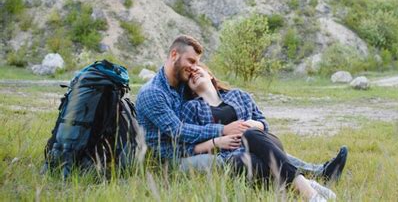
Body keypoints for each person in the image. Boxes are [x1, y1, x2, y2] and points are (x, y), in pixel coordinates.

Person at [136, 35, 347, 180]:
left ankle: (316, 173)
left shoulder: (181, 86)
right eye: (191, 61)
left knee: (253, 146)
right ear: (174, 55)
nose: (194, 68)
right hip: (174, 159)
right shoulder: (153, 93)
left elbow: (259, 120)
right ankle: (310, 179)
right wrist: (222, 133)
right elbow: (178, 131)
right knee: (238, 161)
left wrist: (247, 127)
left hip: (202, 147)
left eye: (197, 63)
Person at [181, 65, 338, 201]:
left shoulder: (239, 95)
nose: (194, 74)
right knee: (243, 163)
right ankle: (306, 183)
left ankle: (311, 196)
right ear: (191, 90)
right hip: (234, 156)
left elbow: (264, 124)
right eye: (189, 77)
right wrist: (217, 142)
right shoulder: (191, 108)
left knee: (251, 134)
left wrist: (254, 124)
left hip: (260, 141)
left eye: (197, 70)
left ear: (210, 75)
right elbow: (187, 147)